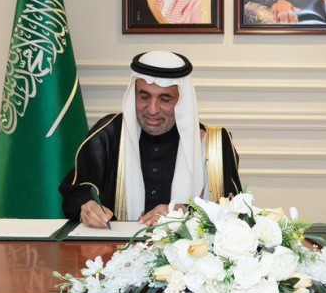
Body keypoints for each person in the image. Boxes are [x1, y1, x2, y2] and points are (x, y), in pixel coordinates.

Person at [59, 51, 242, 227]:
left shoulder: (213, 143)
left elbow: (235, 211)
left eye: (165, 99)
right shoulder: (109, 133)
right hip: (116, 247)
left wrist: (184, 211)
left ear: (182, 101)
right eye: (144, 96)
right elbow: (76, 191)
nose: (152, 109)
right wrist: (86, 206)